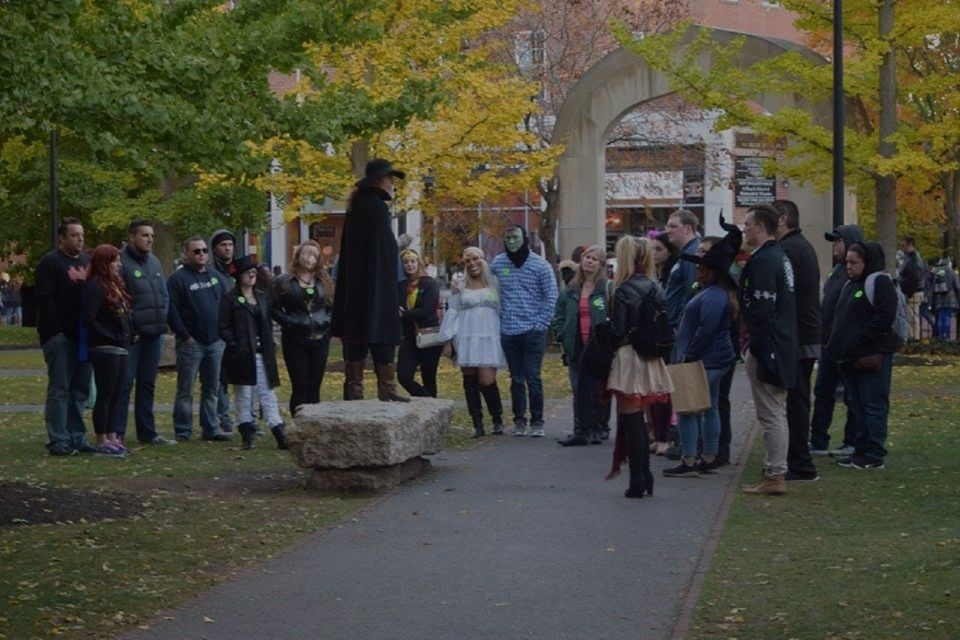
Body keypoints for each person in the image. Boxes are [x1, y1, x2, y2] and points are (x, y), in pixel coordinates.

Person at [663, 219, 739, 477]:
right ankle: (708, 456)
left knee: (687, 408)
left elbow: (705, 331)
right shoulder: (713, 292)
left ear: (712, 270)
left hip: (705, 360)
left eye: (701, 267)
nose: (696, 270)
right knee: (711, 406)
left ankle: (689, 458)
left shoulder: (714, 296)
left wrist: (690, 355)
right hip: (713, 358)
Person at [330, 159, 409, 402]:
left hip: (357, 287)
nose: (392, 183)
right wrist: (400, 245)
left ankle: (354, 390)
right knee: (381, 331)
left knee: (357, 334)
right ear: (378, 180)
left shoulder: (357, 206)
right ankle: (386, 388)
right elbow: (384, 249)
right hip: (375, 285)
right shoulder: (375, 207)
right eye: (389, 178)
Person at [605, 236, 673, 499]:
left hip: (628, 357)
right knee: (641, 419)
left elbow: (618, 331)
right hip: (651, 357)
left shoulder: (622, 289)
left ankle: (638, 479)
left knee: (631, 419)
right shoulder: (656, 287)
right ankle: (645, 476)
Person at [739, 204, 798, 496]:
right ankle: (775, 471)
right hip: (780, 342)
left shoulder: (765, 260)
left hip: (770, 345)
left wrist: (759, 347)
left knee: (771, 412)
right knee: (776, 410)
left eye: (748, 224)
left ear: (761, 226)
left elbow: (763, 309)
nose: (744, 228)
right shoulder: (780, 257)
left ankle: (775, 473)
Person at [827, 242, 898, 470]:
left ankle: (874, 454)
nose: (848, 266)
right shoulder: (852, 283)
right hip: (850, 358)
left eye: (853, 262)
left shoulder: (879, 282)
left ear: (866, 263)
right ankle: (860, 449)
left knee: (873, 404)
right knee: (856, 405)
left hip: (869, 357)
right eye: (847, 262)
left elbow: (884, 316)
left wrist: (859, 339)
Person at [490, 225, 558, 437]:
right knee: (516, 379)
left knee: (533, 377)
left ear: (525, 239)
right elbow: (489, 289)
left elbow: (551, 296)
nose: (511, 241)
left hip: (532, 330)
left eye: (515, 237)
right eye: (507, 237)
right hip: (508, 331)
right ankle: (519, 421)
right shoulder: (498, 263)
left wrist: (541, 324)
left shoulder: (540, 265)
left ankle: (537, 421)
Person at [36, 217, 94, 456]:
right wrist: (55, 332)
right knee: (60, 389)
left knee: (80, 390)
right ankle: (58, 439)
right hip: (60, 336)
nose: (79, 239)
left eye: (81, 235)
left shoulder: (87, 262)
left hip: (84, 336)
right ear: (62, 238)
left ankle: (77, 437)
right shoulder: (50, 263)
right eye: (73, 235)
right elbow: (45, 299)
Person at [773, 200, 821, 482]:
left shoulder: (791, 249)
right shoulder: (799, 246)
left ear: (782, 219)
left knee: (797, 399)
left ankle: (800, 462)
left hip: (799, 335)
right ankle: (798, 459)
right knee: (797, 398)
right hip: (804, 332)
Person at [167, 236, 231, 442]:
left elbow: (226, 306)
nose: (202, 254)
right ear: (186, 254)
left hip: (215, 342)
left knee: (212, 388)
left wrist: (223, 334)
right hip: (191, 344)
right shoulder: (178, 279)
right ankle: (183, 429)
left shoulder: (216, 277)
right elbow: (172, 310)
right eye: (196, 251)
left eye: (204, 250)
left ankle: (210, 428)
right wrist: (185, 336)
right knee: (185, 390)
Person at [116, 220, 174, 445]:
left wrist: (162, 316)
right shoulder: (121, 262)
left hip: (154, 333)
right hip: (133, 336)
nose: (149, 239)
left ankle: (147, 432)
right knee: (125, 384)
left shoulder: (155, 262)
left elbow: (164, 296)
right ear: (132, 237)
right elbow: (119, 299)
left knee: (148, 383)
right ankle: (117, 433)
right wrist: (130, 327)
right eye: (144, 235)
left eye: (151, 235)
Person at [219, 257, 286, 450]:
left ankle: (279, 432)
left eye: (254, 272)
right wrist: (236, 345)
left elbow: (267, 323)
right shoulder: (230, 299)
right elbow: (223, 327)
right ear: (239, 276)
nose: (252, 275)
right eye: (248, 272)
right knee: (244, 395)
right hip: (241, 355)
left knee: (268, 393)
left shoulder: (262, 297)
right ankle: (246, 435)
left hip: (263, 354)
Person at [439, 247, 507, 437]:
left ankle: (497, 418)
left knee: (486, 380)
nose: (472, 263)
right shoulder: (459, 286)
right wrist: (447, 341)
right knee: (469, 381)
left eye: (475, 258)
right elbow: (452, 313)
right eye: (467, 261)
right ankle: (477, 424)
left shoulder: (495, 283)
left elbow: (503, 308)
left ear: (483, 259)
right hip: (465, 337)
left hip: (488, 336)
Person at [809, 224, 864, 457]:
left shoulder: (856, 275)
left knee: (852, 395)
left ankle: (852, 441)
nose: (834, 245)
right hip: (829, 345)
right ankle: (819, 440)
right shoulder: (836, 272)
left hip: (845, 346)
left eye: (838, 240)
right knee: (823, 391)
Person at [553, 245, 611, 446]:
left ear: (601, 265)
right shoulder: (571, 288)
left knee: (598, 389)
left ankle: (598, 428)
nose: (589, 261)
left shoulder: (607, 288)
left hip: (598, 348)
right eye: (587, 257)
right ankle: (580, 430)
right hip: (575, 346)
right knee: (579, 389)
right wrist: (562, 334)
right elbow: (559, 314)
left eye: (594, 259)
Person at [270, 240, 334, 415]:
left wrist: (326, 321)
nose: (310, 258)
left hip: (321, 338)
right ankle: (299, 426)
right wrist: (291, 322)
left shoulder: (324, 279)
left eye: (314, 255)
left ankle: (314, 426)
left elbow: (332, 306)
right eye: (306, 253)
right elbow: (273, 309)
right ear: (298, 256)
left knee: (314, 385)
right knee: (300, 385)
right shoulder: (283, 281)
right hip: (295, 339)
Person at [82, 245, 135, 456]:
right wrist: (110, 335)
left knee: (117, 394)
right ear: (104, 262)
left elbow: (123, 314)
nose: (119, 264)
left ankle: (113, 436)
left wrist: (130, 332)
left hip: (121, 347)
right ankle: (101, 439)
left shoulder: (114, 285)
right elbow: (89, 319)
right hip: (105, 348)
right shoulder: (95, 286)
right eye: (115, 261)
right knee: (105, 395)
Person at [648, 232, 680, 455]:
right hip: (657, 336)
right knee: (655, 387)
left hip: (668, 336)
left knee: (664, 388)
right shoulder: (656, 276)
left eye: (658, 249)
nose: (654, 253)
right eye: (652, 249)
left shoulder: (672, 276)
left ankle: (666, 435)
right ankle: (659, 433)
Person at [397, 248, 444, 397]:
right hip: (410, 336)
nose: (409, 265)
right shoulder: (400, 285)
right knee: (404, 377)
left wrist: (404, 313)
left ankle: (433, 411)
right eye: (405, 262)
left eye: (412, 261)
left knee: (428, 378)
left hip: (429, 336)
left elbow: (427, 310)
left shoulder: (429, 283)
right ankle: (429, 402)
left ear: (418, 263)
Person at [210, 229, 237, 433]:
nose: (227, 248)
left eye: (230, 244)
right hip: (219, 331)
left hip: (239, 330)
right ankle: (222, 417)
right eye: (223, 245)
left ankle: (248, 418)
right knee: (220, 379)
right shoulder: (210, 272)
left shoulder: (239, 270)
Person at [663, 209, 701, 330]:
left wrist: (680, 325)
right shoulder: (688, 253)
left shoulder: (691, 254)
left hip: (684, 327)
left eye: (673, 226)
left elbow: (692, 292)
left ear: (688, 229)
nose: (668, 231)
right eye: (667, 226)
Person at [897, 236, 926, 340]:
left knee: (913, 317)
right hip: (912, 291)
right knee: (912, 316)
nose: (902, 248)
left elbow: (914, 278)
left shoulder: (913, 259)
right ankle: (913, 337)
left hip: (913, 292)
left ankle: (914, 339)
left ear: (910, 245)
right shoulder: (911, 257)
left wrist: (909, 293)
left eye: (903, 246)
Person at [929, 258, 960, 340]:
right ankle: (947, 337)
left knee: (941, 318)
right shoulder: (952, 273)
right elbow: (957, 286)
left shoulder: (937, 273)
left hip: (940, 298)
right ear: (948, 264)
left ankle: (941, 337)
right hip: (950, 298)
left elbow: (933, 287)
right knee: (947, 317)